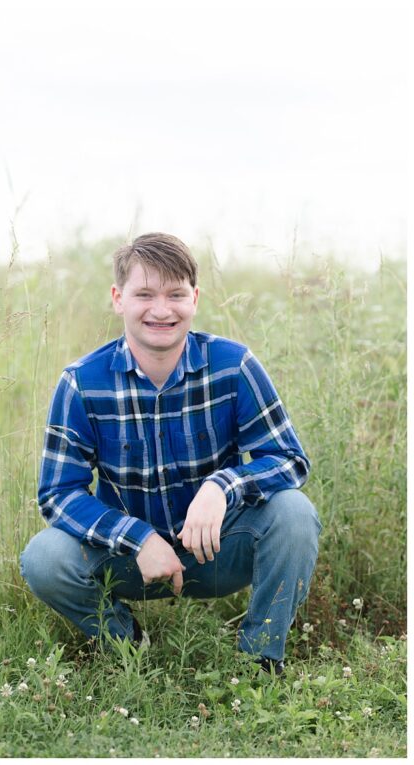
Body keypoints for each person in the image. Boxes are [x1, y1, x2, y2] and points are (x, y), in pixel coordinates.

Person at [19, 232, 319, 674]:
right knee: (43, 559)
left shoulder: (233, 365)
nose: (161, 310)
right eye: (145, 294)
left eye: (176, 294)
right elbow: (58, 495)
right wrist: (136, 537)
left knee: (294, 513)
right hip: (128, 561)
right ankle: (128, 644)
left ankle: (261, 658)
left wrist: (223, 487)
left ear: (194, 298)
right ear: (118, 298)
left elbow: (291, 460)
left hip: (217, 551)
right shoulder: (82, 382)